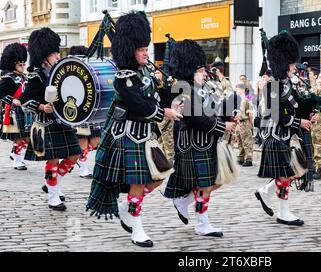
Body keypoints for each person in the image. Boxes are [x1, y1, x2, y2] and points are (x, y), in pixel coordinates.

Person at [86, 12, 181, 247]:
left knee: (160, 176)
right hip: (128, 135)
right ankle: (137, 227)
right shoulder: (123, 78)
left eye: (145, 48)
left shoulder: (144, 73)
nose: (146, 52)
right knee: (139, 182)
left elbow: (156, 96)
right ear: (129, 51)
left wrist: (173, 96)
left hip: (145, 134)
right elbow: (139, 104)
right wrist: (164, 112)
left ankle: (126, 208)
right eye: (140, 49)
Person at [164, 39, 236, 237]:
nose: (205, 73)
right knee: (205, 184)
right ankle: (202, 223)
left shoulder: (202, 89)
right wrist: (224, 126)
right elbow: (199, 120)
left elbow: (213, 111)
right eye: (201, 70)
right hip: (192, 145)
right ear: (190, 70)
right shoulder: (182, 90)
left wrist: (229, 116)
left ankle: (184, 199)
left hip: (206, 143)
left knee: (216, 181)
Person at [20, 28, 81, 211]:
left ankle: (52, 184)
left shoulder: (59, 72)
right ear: (44, 56)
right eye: (54, 54)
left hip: (62, 121)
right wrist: (41, 106)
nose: (57, 56)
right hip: (46, 123)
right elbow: (24, 101)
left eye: (56, 53)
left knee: (75, 155)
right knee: (53, 160)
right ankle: (53, 196)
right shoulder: (37, 75)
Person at [255, 32, 309, 227]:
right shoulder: (273, 86)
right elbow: (276, 114)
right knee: (287, 174)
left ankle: (267, 193)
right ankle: (283, 211)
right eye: (292, 63)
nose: (295, 67)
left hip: (286, 136)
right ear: (283, 64)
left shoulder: (287, 85)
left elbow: (296, 106)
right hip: (275, 135)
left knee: (293, 171)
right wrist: (298, 122)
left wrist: (311, 109)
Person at [68, 45, 100, 179]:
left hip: (91, 112)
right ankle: (83, 166)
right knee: (82, 142)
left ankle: (78, 160)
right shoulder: (69, 73)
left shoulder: (89, 71)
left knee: (95, 143)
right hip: (78, 111)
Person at [0, 43, 29, 170]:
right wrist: (12, 100)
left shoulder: (25, 77)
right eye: (20, 64)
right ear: (13, 64)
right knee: (19, 137)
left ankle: (14, 152)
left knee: (27, 138)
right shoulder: (7, 78)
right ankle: (17, 160)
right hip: (13, 111)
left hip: (25, 110)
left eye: (23, 64)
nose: (23, 67)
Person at [235, 82, 254, 167]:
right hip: (239, 122)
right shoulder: (239, 99)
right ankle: (241, 158)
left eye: (237, 88)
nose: (236, 90)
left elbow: (250, 113)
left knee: (247, 141)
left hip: (245, 122)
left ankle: (249, 159)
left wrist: (251, 123)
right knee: (240, 141)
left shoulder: (247, 99)